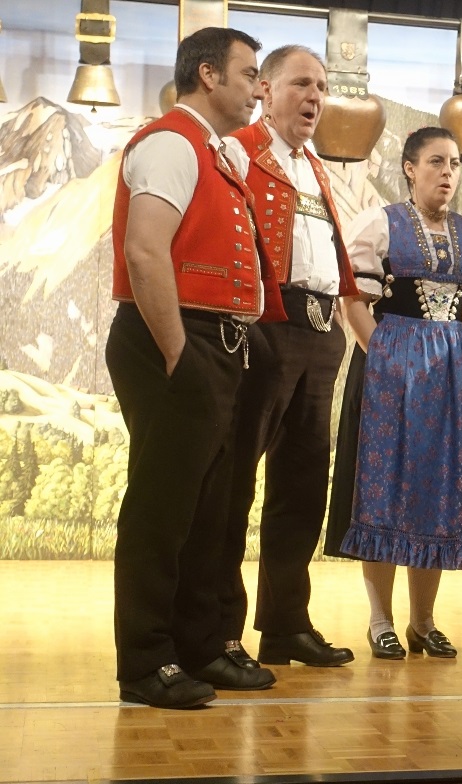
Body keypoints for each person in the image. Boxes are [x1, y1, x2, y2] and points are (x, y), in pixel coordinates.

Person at [106, 27, 277, 708]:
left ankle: (198, 647)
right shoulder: (171, 142)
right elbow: (145, 252)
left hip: (215, 341)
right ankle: (145, 661)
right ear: (209, 75)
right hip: (174, 337)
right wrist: (179, 352)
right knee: (162, 507)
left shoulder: (211, 149)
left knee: (209, 509)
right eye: (249, 73)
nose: (258, 87)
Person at [324, 127, 462, 660]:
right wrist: (383, 359)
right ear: (409, 168)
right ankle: (380, 619)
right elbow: (353, 299)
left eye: (454, 164)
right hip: (390, 374)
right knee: (385, 487)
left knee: (437, 491)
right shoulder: (380, 224)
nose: (447, 172)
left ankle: (423, 621)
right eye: (436, 161)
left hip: (451, 378)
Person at [217, 45, 358, 669]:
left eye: (321, 87)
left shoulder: (314, 166)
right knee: (233, 480)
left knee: (301, 486)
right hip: (266, 325)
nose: (315, 97)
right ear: (266, 91)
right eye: (302, 83)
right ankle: (218, 631)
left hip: (320, 330)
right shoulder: (238, 151)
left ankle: (284, 625)